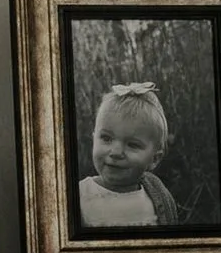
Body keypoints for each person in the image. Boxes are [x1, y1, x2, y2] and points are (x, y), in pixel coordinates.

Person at [77, 80, 181, 230]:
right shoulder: (79, 196)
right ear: (94, 139)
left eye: (132, 145)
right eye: (106, 138)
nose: (116, 152)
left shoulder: (158, 193)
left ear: (154, 159)